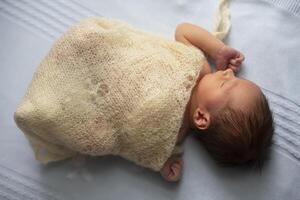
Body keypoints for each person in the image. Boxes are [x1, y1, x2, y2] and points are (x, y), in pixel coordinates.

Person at [159, 23, 274, 182]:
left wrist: (167, 165)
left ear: (201, 118)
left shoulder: (173, 135)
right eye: (235, 77)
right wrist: (218, 51)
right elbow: (182, 31)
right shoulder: (199, 68)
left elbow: (143, 142)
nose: (228, 72)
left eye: (225, 84)